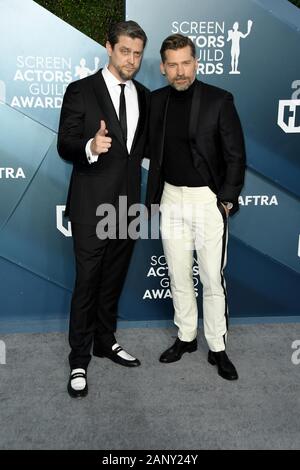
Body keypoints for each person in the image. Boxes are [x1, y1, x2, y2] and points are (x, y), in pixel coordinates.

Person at [57, 21, 150, 398]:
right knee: (87, 283)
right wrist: (91, 147)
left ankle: (105, 341)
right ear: (108, 47)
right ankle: (78, 358)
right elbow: (65, 143)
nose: (131, 60)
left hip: (128, 206)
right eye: (125, 51)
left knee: (113, 279)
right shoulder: (80, 90)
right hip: (90, 205)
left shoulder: (145, 94)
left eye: (138, 54)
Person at [145, 34, 246, 381]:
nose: (180, 71)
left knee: (211, 278)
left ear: (196, 63)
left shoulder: (219, 100)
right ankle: (186, 336)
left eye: (186, 62)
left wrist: (226, 200)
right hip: (171, 198)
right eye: (172, 64)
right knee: (177, 274)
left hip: (207, 200)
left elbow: (235, 156)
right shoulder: (156, 102)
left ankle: (217, 346)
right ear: (162, 68)